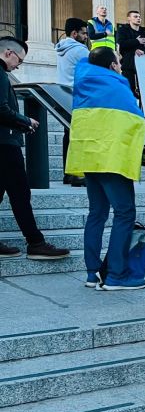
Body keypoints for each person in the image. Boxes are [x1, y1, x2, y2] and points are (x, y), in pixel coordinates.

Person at [66, 47, 145, 288]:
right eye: (119, 62)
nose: (121, 66)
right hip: (111, 159)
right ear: (112, 66)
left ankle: (92, 273)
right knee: (124, 213)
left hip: (89, 157)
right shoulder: (117, 85)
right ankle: (116, 275)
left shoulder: (83, 82)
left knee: (97, 214)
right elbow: (135, 120)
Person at [0, 37, 71, 261]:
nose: (18, 66)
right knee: (21, 194)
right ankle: (36, 243)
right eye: (19, 60)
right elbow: (1, 109)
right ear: (8, 53)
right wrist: (25, 121)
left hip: (4, 141)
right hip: (4, 145)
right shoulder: (0, 73)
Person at [56, 17, 91, 187]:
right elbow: (92, 73)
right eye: (83, 33)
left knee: (68, 136)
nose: (86, 37)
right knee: (79, 136)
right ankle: (78, 175)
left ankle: (68, 174)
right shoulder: (80, 51)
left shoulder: (61, 49)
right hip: (79, 97)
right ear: (74, 33)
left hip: (64, 96)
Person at [115, 10, 145, 98]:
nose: (138, 18)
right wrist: (137, 41)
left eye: (139, 17)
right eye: (135, 16)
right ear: (129, 18)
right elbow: (121, 44)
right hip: (128, 65)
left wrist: (144, 52)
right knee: (128, 91)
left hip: (143, 67)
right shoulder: (122, 30)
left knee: (144, 92)